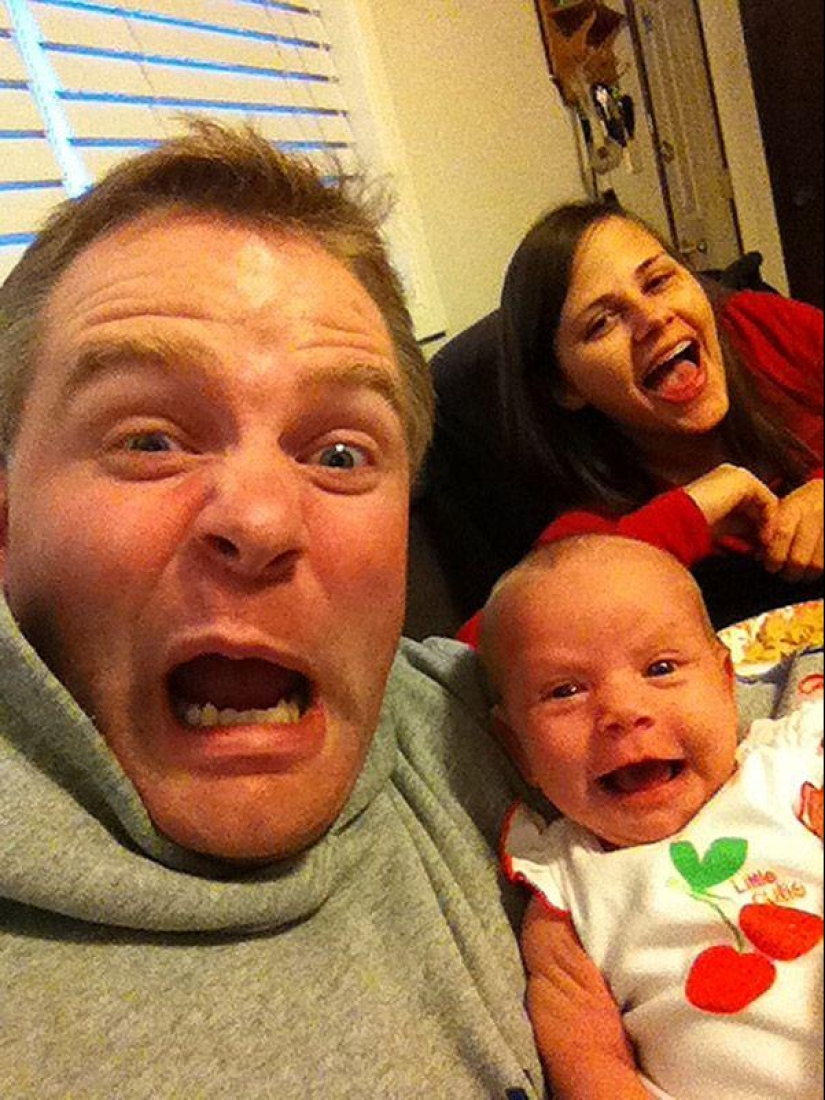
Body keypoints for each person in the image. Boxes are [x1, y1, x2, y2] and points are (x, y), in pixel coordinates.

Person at [0, 119, 546, 1098]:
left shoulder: (485, 721)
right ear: (5, 521)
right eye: (152, 438)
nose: (259, 518)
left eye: (339, 453)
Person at [480, 535, 824, 1100]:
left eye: (661, 668)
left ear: (726, 684)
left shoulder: (792, 765)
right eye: (565, 691)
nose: (623, 711)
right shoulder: (564, 891)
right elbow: (587, 1056)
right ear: (519, 750)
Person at [423, 201, 823, 637]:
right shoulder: (587, 527)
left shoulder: (755, 330)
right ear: (564, 387)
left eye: (658, 281)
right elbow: (491, 647)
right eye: (601, 324)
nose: (653, 318)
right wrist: (691, 514)